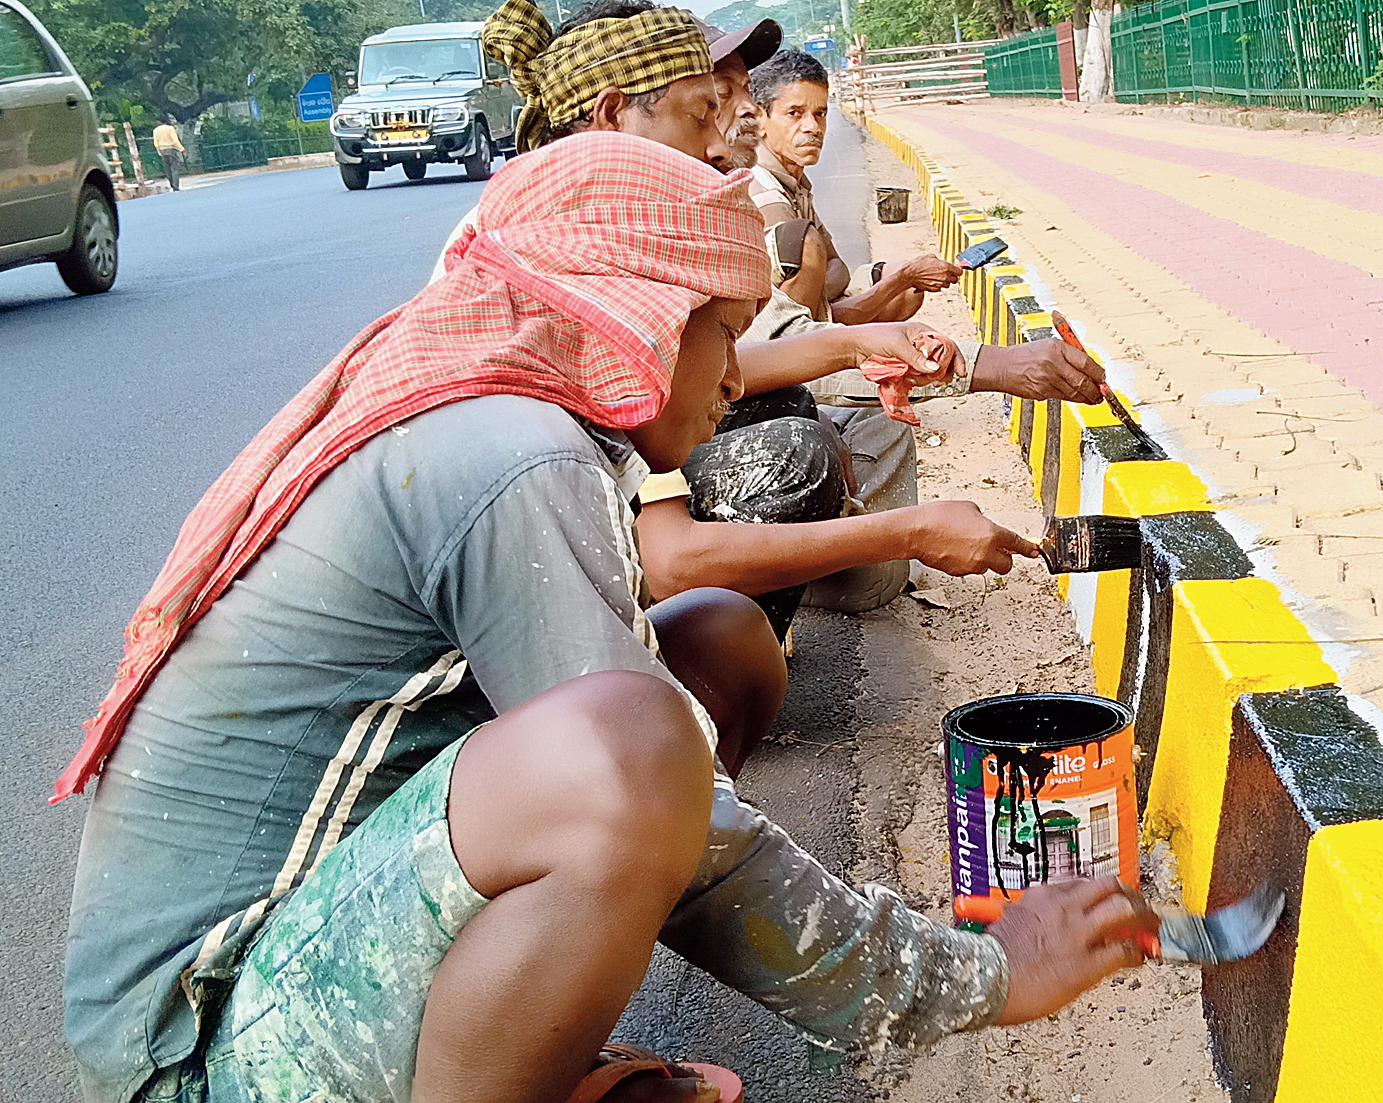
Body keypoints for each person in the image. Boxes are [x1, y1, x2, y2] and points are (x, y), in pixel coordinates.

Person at [62, 130, 1151, 1103]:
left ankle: (526, 1034)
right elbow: (659, 796)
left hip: (296, 949)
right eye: (717, 334)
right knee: (628, 748)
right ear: (634, 322)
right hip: (202, 1045)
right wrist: (975, 974)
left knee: (705, 647)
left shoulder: (500, 417)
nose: (735, 374)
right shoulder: (512, 458)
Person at [462, 0, 1111, 637]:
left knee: (807, 422)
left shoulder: (606, 227)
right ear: (610, 116)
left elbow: (743, 357)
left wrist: (863, 339)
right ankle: (701, 650)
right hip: (544, 588)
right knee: (795, 460)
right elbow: (669, 547)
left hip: (588, 528)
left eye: (735, 100)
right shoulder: (582, 257)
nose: (725, 136)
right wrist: (909, 526)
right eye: (707, 107)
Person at [748, 49, 963, 325]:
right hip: (772, 336)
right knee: (901, 282)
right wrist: (903, 276)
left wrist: (818, 292)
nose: (812, 127)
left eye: (820, 113)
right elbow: (796, 316)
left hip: (809, 310)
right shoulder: (765, 193)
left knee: (908, 292)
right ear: (759, 120)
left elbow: (838, 266)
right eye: (794, 113)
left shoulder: (795, 181)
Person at [152, 115, 186, 191]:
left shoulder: (156, 130)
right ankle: (175, 185)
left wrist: (159, 152)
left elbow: (156, 143)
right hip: (171, 149)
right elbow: (175, 141)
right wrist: (182, 150)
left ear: (160, 122)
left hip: (162, 150)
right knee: (175, 168)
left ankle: (171, 183)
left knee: (167, 168)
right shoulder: (170, 128)